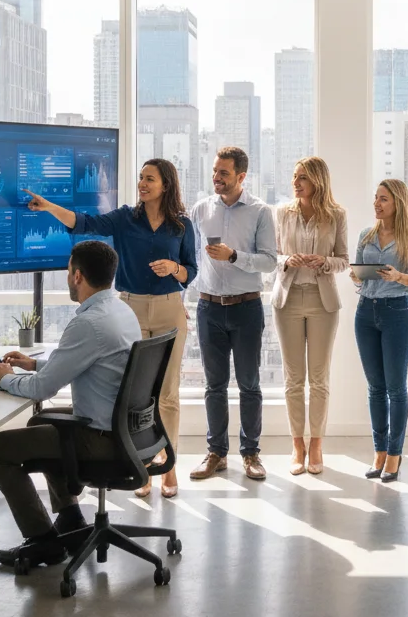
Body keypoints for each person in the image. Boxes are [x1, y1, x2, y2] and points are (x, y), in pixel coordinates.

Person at [20, 158, 196, 499]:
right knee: (131, 393)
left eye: (150, 179)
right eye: (140, 177)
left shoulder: (182, 226)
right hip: (130, 308)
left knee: (167, 394)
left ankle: (169, 465)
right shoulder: (125, 218)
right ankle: (140, 465)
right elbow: (84, 223)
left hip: (169, 310)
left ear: (166, 185)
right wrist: (48, 207)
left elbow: (192, 270)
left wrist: (174, 267)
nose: (142, 184)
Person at [0, 241, 143, 568]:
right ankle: (70, 518)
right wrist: (33, 365)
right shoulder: (119, 310)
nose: (68, 277)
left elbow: (43, 389)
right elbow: (83, 363)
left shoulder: (88, 322)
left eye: (68, 271)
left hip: (101, 439)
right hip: (126, 429)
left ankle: (42, 542)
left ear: (77, 275)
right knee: (39, 425)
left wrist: (3, 378)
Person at [189, 146, 278, 482]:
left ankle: (251, 453)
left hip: (246, 308)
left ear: (242, 176)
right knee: (214, 386)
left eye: (224, 173)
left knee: (249, 384)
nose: (216, 178)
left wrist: (233, 256)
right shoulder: (200, 209)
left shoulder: (260, 212)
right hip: (208, 307)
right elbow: (190, 253)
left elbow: (270, 261)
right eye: (215, 171)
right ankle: (216, 453)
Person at [273, 157, 348, 475]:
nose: (296, 182)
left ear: (318, 180)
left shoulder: (336, 215)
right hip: (287, 301)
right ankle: (297, 445)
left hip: (322, 302)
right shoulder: (282, 213)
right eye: (294, 176)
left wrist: (324, 262)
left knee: (319, 380)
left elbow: (344, 260)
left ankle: (316, 444)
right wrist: (288, 259)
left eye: (302, 177)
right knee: (293, 380)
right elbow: (271, 256)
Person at [351, 179, 408, 483]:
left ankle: (394, 455)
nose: (377, 204)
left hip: (396, 313)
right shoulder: (366, 235)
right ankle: (379, 451)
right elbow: (358, 274)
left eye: (383, 199)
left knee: (396, 388)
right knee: (375, 387)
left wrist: (400, 276)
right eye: (375, 198)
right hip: (365, 311)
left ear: (397, 202)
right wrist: (357, 276)